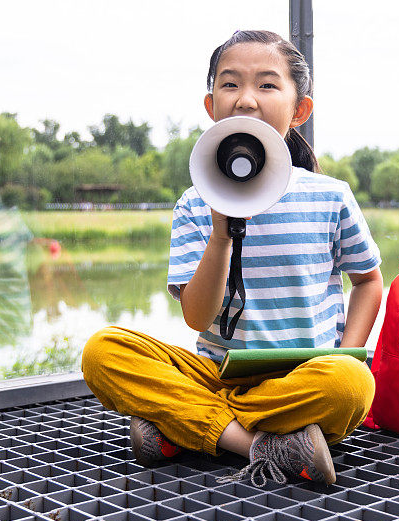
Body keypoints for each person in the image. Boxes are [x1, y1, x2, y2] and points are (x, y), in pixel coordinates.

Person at [81, 30, 383, 487]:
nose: (245, 100)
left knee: (352, 384)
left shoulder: (330, 196)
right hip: (216, 373)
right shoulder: (194, 203)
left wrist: (345, 354)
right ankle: (266, 444)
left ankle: (183, 426)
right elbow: (197, 317)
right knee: (102, 352)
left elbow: (368, 281)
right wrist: (222, 232)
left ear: (299, 110)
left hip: (303, 378)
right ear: (211, 107)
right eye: (229, 84)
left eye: (266, 84)